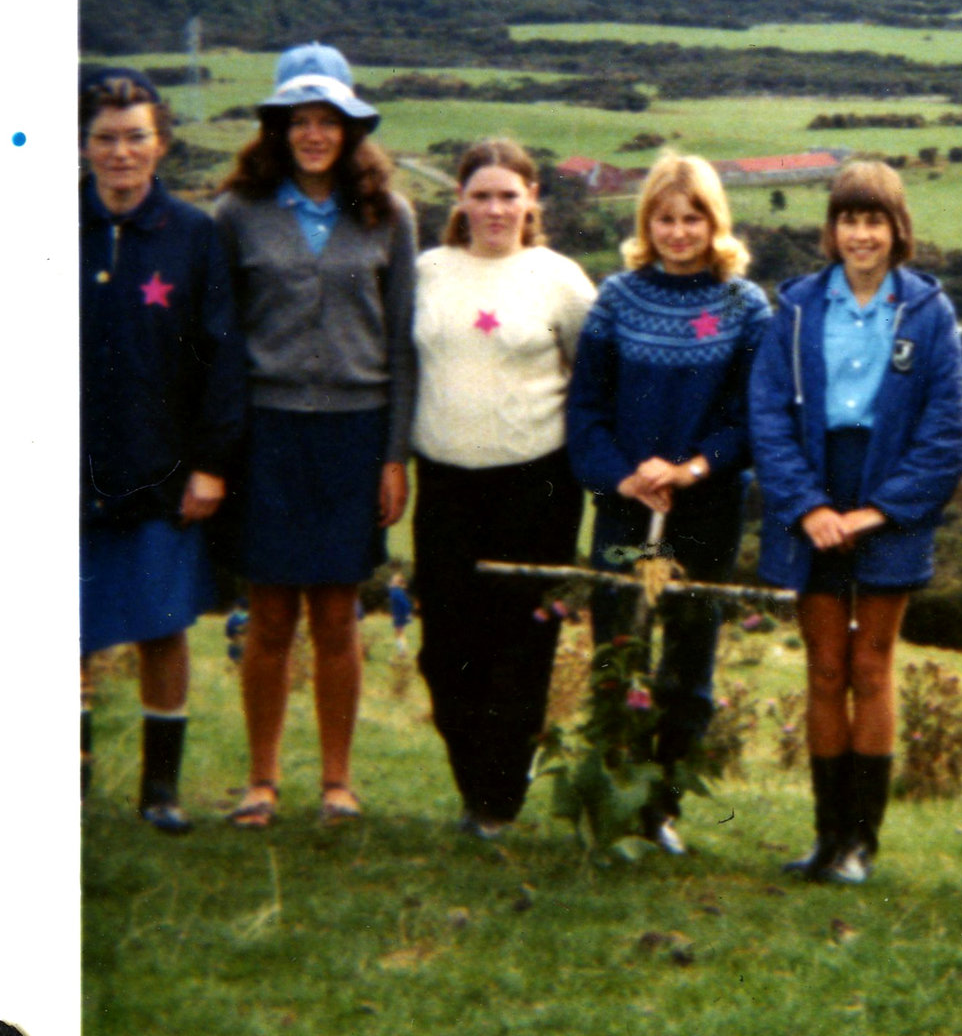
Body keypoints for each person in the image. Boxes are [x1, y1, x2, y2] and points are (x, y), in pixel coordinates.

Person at [750, 160, 962, 883]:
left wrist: (879, 511)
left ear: (897, 228)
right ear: (833, 228)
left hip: (891, 500)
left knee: (872, 666)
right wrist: (810, 506)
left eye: (874, 220)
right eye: (849, 219)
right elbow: (766, 416)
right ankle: (824, 837)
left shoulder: (930, 312)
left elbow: (948, 431)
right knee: (824, 668)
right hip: (812, 493)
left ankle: (860, 845)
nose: (861, 234)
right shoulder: (795, 309)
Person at [213, 44, 417, 827]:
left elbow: (400, 343)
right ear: (276, 126)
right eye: (298, 119)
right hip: (266, 436)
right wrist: (221, 451)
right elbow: (221, 341)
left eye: (327, 119)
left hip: (354, 435)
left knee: (337, 615)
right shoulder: (238, 213)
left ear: (351, 127)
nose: (312, 133)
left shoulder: (388, 214)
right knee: (268, 617)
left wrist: (393, 454)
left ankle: (338, 781)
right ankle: (260, 780)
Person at [566, 152, 771, 855]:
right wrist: (622, 476)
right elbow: (586, 406)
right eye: (665, 217)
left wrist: (691, 467)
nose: (679, 231)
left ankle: (662, 806)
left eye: (693, 218)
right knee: (620, 647)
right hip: (628, 506)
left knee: (690, 661)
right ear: (645, 222)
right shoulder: (618, 297)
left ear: (716, 222)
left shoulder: (744, 306)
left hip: (706, 508)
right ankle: (611, 796)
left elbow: (753, 416)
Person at [410, 140, 596, 837]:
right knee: (446, 647)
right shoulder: (428, 272)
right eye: (481, 194)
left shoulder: (561, 279)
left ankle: (496, 801)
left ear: (532, 199)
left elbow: (593, 372)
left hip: (535, 486)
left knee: (519, 645)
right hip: (446, 484)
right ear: (459, 198)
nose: (494, 208)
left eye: (507, 195)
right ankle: (477, 783)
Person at [79, 67, 246, 832]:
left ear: (162, 143)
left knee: (162, 623)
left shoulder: (194, 233)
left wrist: (211, 465)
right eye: (106, 138)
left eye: (136, 137)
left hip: (162, 463)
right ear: (83, 145)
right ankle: (67, 781)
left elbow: (222, 356)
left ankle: (161, 790)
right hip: (65, 466)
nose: (121, 152)